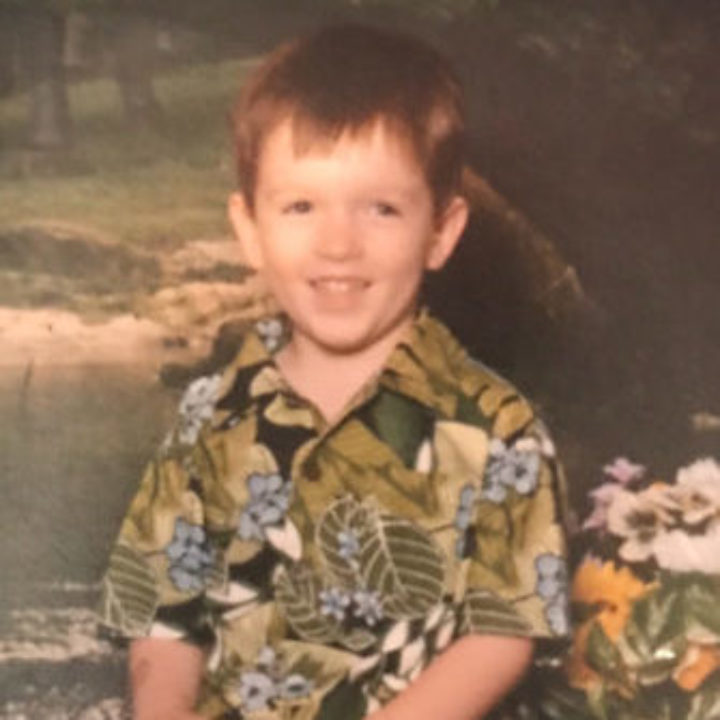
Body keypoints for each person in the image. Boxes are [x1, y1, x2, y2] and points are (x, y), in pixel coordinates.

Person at [98, 24, 569, 720]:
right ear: (250, 230)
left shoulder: (501, 430)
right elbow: (160, 618)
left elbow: (500, 640)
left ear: (440, 231)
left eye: (381, 208)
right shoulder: (207, 416)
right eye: (300, 206)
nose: (338, 243)